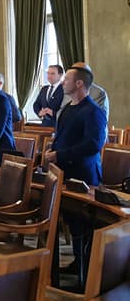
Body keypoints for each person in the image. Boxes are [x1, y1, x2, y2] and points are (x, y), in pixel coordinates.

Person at [45, 65, 107, 282]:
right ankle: (73, 266)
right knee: (70, 223)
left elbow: (93, 145)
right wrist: (52, 150)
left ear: (79, 84)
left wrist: (60, 154)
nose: (63, 82)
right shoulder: (67, 109)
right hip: (64, 173)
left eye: (67, 79)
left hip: (84, 176)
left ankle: (85, 278)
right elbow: (62, 136)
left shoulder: (93, 111)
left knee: (82, 227)